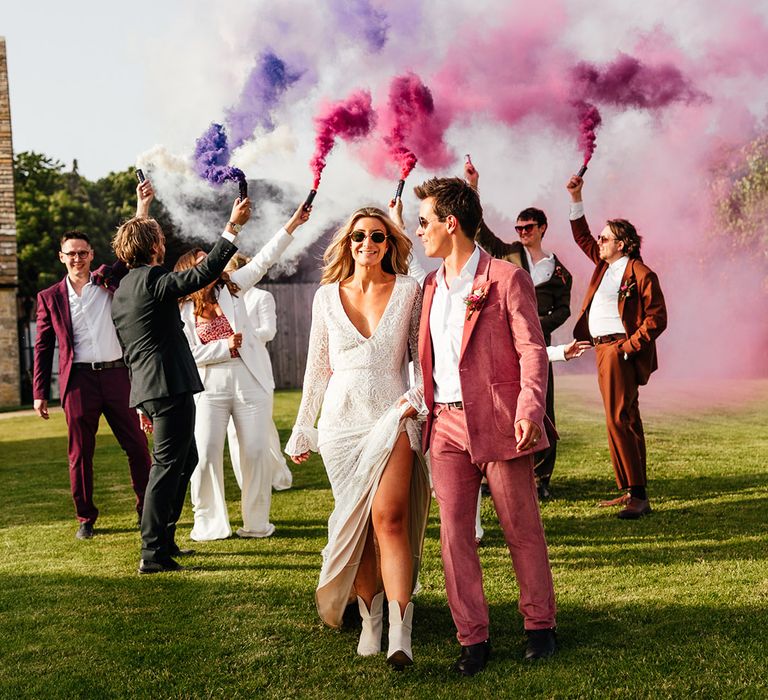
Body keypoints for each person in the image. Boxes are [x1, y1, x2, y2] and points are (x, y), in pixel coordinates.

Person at [410, 176, 557, 676]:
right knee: (454, 536)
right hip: (445, 425)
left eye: (425, 220)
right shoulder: (428, 286)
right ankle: (472, 639)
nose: (419, 229)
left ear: (451, 224)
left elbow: (532, 350)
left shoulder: (506, 278)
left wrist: (529, 409)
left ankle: (540, 627)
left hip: (499, 420)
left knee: (521, 529)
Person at [286, 207, 429, 670]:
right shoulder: (326, 297)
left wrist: (416, 400)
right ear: (347, 243)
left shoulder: (410, 290)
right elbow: (316, 370)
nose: (368, 243)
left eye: (378, 236)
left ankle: (400, 633)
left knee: (389, 517)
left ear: (390, 244)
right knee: (360, 527)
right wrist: (303, 428)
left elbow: (420, 359)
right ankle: (370, 620)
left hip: (394, 416)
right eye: (359, 237)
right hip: (340, 425)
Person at [111, 194, 249, 574]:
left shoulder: (124, 287)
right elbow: (201, 276)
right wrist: (232, 226)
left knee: (184, 459)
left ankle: (165, 540)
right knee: (167, 464)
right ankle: (152, 553)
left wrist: (141, 401)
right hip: (168, 385)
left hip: (152, 386)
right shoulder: (153, 279)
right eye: (159, 238)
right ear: (156, 246)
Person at [175, 207, 309, 541]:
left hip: (251, 382)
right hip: (208, 387)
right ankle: (209, 524)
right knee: (204, 454)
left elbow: (264, 259)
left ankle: (256, 524)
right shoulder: (182, 308)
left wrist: (292, 224)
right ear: (189, 271)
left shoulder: (232, 286)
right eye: (204, 260)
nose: (213, 263)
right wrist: (225, 347)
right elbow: (188, 355)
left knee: (254, 453)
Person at [32, 183, 154, 540]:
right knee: (80, 453)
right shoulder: (49, 297)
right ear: (61, 257)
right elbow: (42, 346)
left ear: (91, 254)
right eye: (71, 254)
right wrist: (40, 392)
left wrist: (141, 205)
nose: (77, 258)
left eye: (82, 253)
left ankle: (145, 509)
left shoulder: (105, 279)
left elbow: (131, 249)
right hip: (78, 383)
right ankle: (85, 518)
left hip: (117, 376)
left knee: (136, 445)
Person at [466, 162, 572, 499]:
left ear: (542, 228)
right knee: (502, 404)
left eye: (528, 227)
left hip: (539, 347)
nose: (523, 232)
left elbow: (565, 309)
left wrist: (536, 327)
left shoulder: (559, 271)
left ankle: (542, 479)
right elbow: (479, 230)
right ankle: (496, 472)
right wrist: (473, 187)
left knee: (542, 406)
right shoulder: (508, 253)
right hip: (504, 344)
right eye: (519, 227)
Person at [566, 174, 667, 519]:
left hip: (617, 351)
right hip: (603, 350)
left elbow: (656, 318)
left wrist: (628, 346)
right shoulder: (603, 265)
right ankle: (631, 490)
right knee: (624, 418)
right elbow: (581, 235)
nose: (599, 241)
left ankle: (637, 496)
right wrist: (576, 197)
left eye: (605, 238)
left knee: (618, 418)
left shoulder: (640, 273)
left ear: (623, 243)